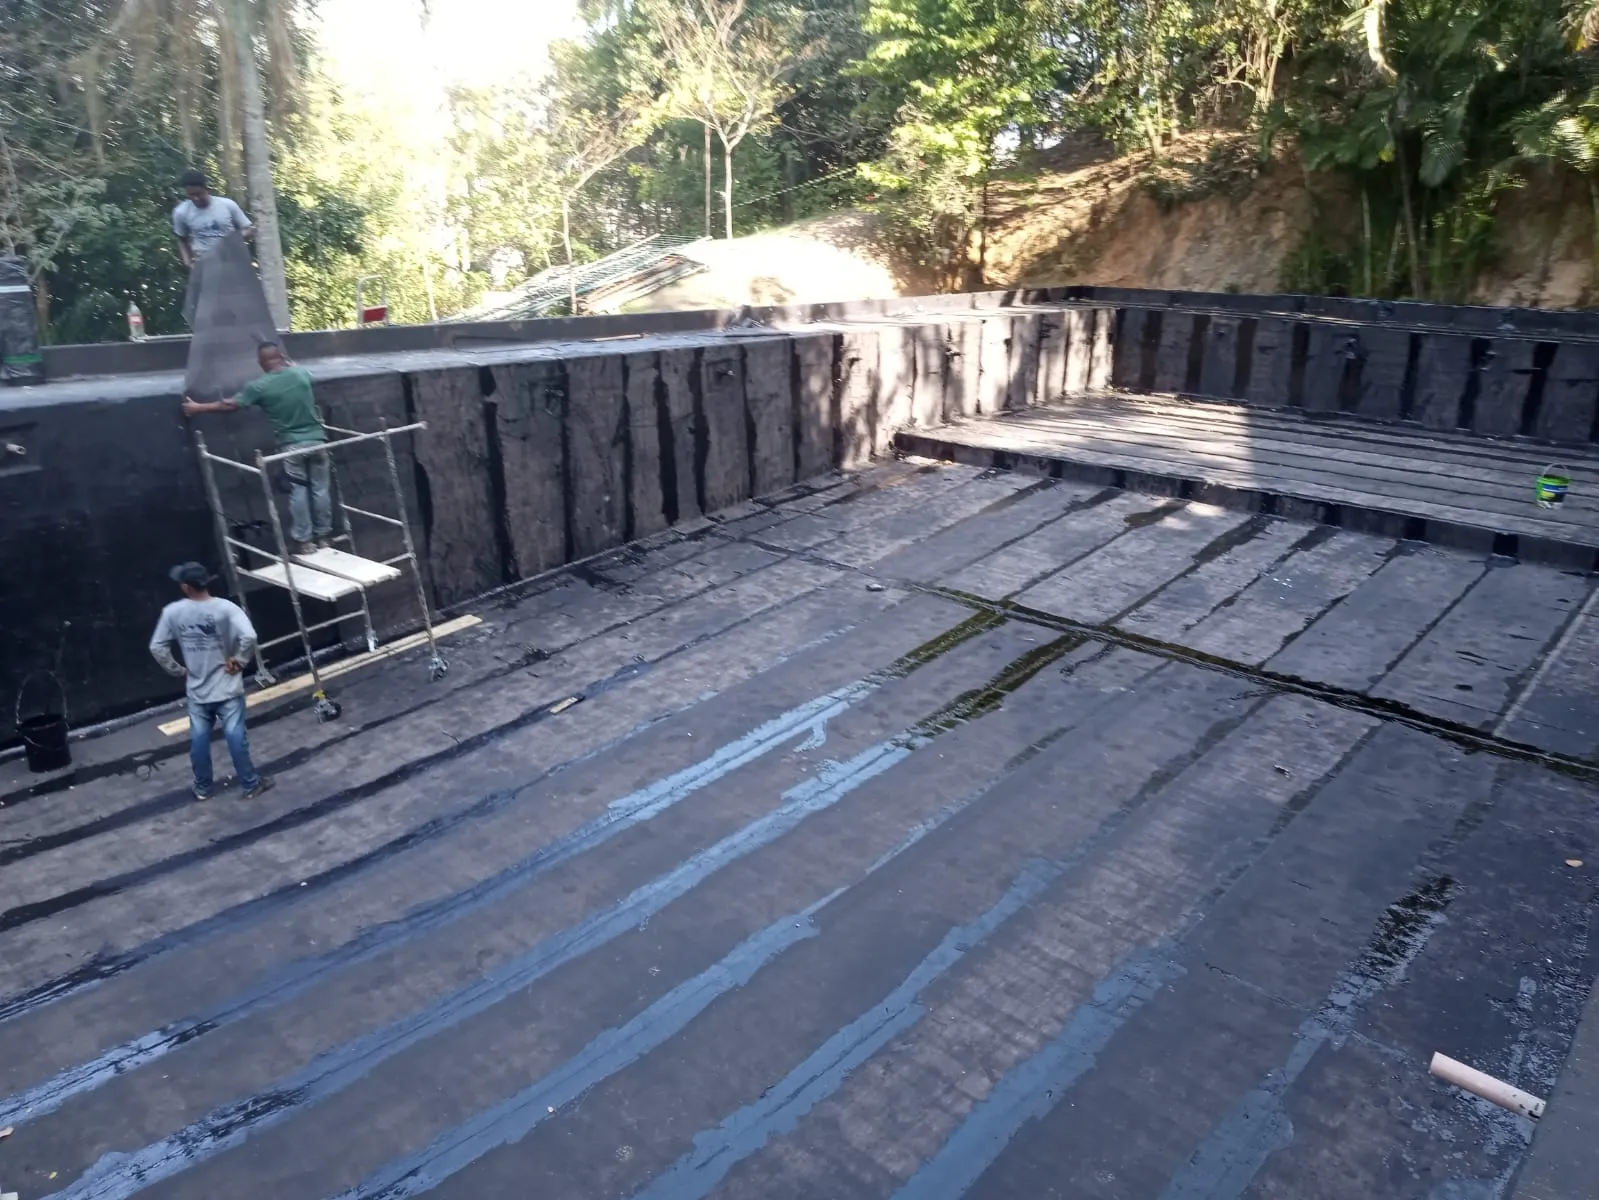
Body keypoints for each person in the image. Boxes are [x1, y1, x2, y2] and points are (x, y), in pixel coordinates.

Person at [182, 342, 334, 555]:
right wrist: (293, 367)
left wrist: (197, 408)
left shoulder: (259, 386)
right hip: (318, 441)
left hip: (293, 445)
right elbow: (305, 375)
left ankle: (305, 541)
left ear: (261, 363)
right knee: (320, 489)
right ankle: (324, 537)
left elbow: (230, 405)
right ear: (281, 357)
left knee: (299, 490)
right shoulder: (301, 374)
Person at [150, 562, 275, 801]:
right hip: (227, 688)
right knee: (236, 737)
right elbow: (249, 636)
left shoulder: (172, 612)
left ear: (186, 587)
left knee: (199, 740)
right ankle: (250, 784)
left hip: (197, 690)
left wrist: (178, 670)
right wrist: (239, 660)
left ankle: (202, 788)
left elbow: (157, 647)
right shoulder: (226, 609)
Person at [172, 169, 255, 269]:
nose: (196, 198)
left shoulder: (227, 205)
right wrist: (189, 263)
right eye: (191, 195)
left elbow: (249, 230)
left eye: (199, 194)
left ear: (206, 190)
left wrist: (230, 240)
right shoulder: (181, 212)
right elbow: (182, 240)